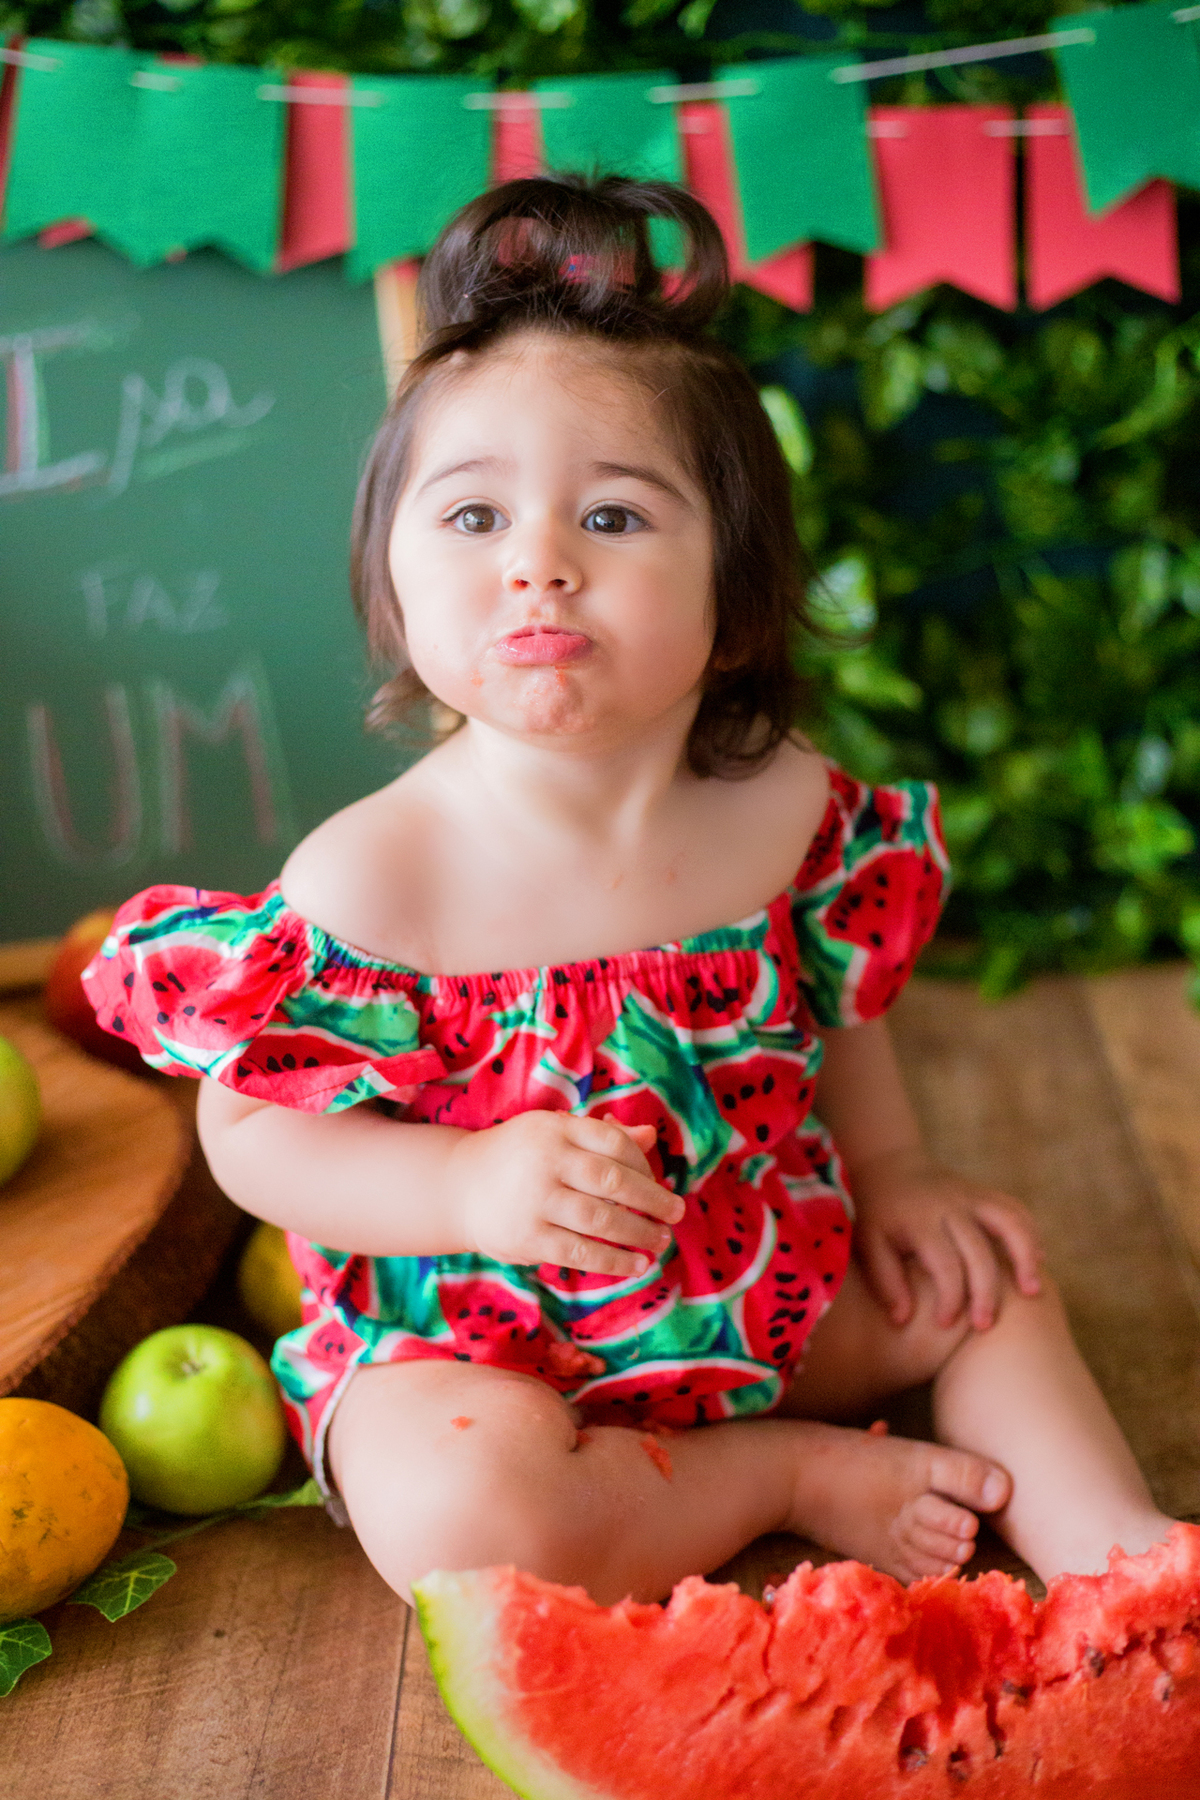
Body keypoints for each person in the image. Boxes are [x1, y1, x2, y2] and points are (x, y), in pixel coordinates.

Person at [84, 173, 1174, 1611]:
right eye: (473, 519)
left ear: (735, 599)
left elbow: (840, 1011)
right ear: (394, 579)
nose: (536, 562)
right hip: (478, 1351)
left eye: (611, 518)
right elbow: (251, 1137)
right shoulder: (378, 871)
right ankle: (784, 1475)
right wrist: (465, 1181)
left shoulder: (785, 808)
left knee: (985, 1285)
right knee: (459, 1518)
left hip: (760, 1286)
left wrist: (900, 1174)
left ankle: (1133, 1564)